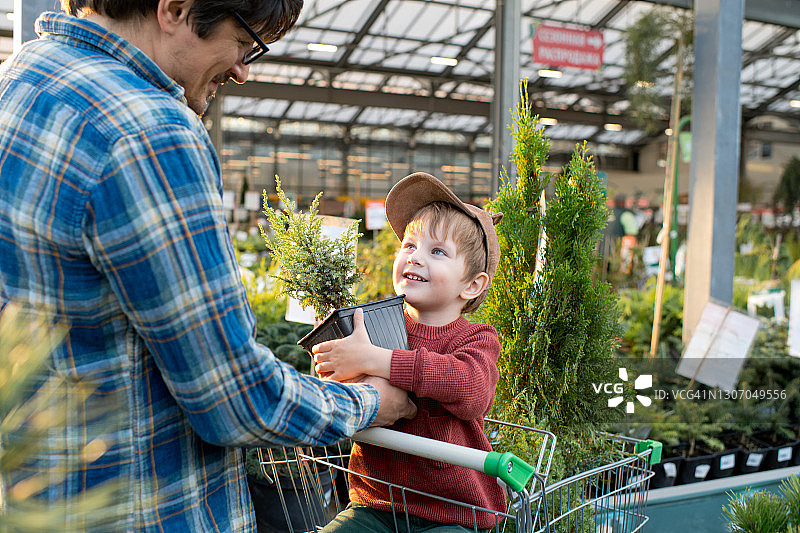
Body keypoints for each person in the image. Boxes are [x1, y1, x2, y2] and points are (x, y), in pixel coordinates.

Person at [0, 1, 415, 532]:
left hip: (40, 503)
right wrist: (370, 402)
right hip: (147, 510)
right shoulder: (149, 130)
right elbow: (235, 399)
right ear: (175, 9)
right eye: (244, 44)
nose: (242, 70)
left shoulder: (19, 80)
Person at [312, 172, 506, 532]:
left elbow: (471, 389)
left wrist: (376, 360)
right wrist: (331, 360)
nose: (415, 258)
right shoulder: (371, 324)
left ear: (471, 285)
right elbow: (337, 383)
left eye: (437, 251)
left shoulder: (476, 339)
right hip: (376, 504)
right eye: (409, 245)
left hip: (453, 514)